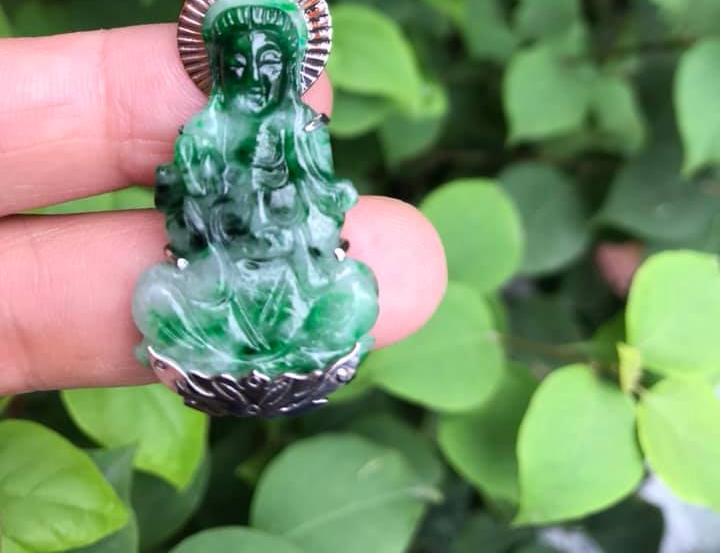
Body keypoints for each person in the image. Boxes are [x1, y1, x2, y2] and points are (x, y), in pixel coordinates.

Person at [0, 22, 447, 396]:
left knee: (356, 293)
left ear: (286, 70)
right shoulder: (203, 136)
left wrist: (305, 210)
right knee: (156, 295)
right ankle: (247, 361)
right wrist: (209, 206)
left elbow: (323, 207)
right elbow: (183, 217)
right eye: (237, 66)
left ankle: (267, 360)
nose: (253, 76)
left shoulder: (303, 132)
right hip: (221, 274)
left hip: (292, 270)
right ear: (221, 72)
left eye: (267, 65)